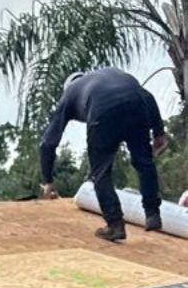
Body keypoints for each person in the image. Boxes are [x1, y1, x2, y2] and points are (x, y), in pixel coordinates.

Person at [39, 67, 169, 242]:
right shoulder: (109, 74)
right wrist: (159, 132)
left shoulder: (70, 92)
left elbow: (47, 143)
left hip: (103, 111)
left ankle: (115, 225)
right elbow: (147, 96)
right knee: (144, 162)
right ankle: (153, 215)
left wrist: (48, 181)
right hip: (136, 105)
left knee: (101, 172)